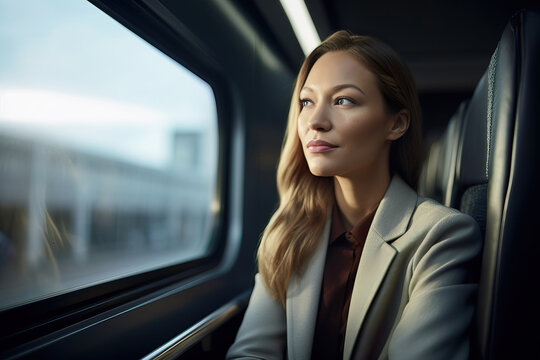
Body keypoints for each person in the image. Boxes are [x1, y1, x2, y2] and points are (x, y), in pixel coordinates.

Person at [227, 30, 481, 360]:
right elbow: (251, 354)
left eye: (343, 100)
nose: (315, 121)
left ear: (396, 124)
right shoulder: (289, 229)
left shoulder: (442, 236)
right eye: (307, 102)